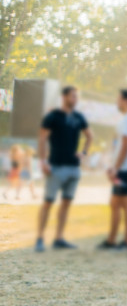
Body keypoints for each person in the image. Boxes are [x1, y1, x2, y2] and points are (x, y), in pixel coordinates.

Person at [35, 85, 93, 252]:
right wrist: (43, 161)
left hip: (74, 168)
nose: (76, 99)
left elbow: (90, 136)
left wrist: (83, 152)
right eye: (73, 96)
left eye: (77, 96)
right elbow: (42, 139)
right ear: (65, 97)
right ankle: (40, 238)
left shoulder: (79, 117)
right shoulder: (52, 116)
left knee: (66, 203)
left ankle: (59, 238)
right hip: (56, 167)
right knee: (48, 202)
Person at [100, 89, 127, 251]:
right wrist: (113, 166)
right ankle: (112, 240)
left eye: (118, 98)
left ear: (126, 100)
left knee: (125, 203)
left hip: (126, 168)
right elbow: (120, 145)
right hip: (124, 167)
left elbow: (126, 145)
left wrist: (115, 169)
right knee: (115, 203)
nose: (116, 101)